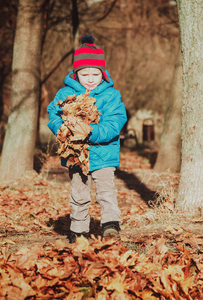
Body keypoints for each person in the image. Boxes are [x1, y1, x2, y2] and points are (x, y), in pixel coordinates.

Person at [47, 34, 127, 243]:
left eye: (95, 73)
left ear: (102, 73)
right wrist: (63, 129)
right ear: (76, 74)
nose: (90, 78)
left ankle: (110, 226)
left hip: (104, 152)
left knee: (106, 191)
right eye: (85, 74)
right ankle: (79, 229)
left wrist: (92, 132)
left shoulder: (111, 95)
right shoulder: (65, 93)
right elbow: (53, 114)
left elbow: (116, 120)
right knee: (79, 193)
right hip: (76, 154)